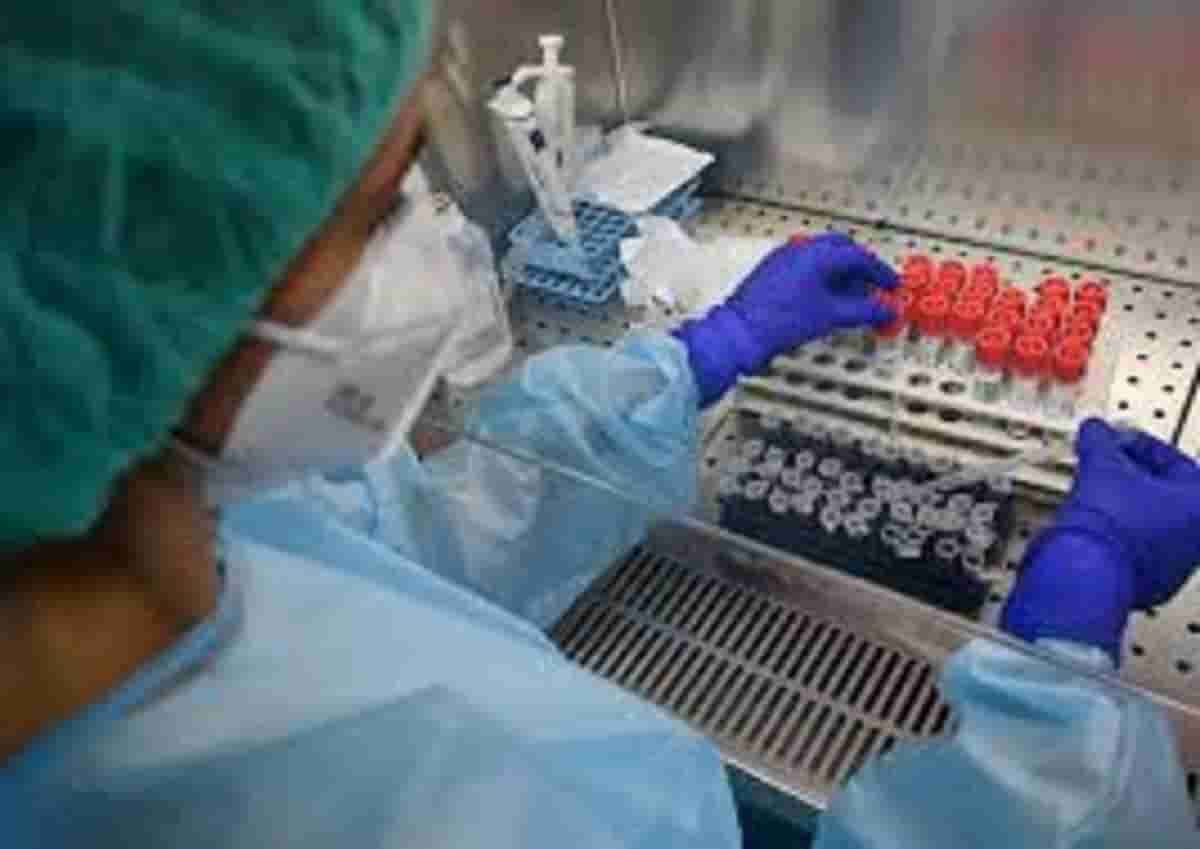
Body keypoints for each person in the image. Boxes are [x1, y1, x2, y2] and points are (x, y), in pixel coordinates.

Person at [4, 3, 1199, 848]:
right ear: (140, 294)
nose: (429, 242)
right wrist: (1062, 742)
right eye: (380, 208)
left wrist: (700, 356)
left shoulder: (194, 531)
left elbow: (420, 533)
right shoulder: (446, 811)